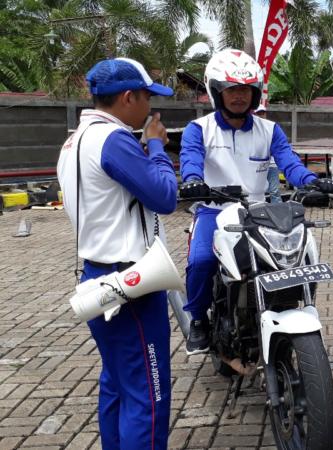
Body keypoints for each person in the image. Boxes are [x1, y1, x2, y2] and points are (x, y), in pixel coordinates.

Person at [179, 49, 333, 354]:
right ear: (217, 92)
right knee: (200, 261)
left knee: (299, 257)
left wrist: (312, 181)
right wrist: (192, 181)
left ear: (255, 93)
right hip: (215, 211)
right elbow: (190, 160)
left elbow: (290, 164)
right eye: (232, 89)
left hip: (260, 212)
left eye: (246, 90)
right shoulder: (198, 130)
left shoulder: (270, 129)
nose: (239, 96)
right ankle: (197, 319)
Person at [56, 57, 177, 449]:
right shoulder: (114, 139)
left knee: (117, 384)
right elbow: (164, 196)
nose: (151, 109)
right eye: (147, 98)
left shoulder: (75, 139)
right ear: (128, 97)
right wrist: (156, 145)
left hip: (98, 276)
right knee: (149, 394)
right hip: (132, 284)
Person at [254, 104, 282, 203]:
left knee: (274, 191)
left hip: (272, 165)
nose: (261, 115)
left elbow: (279, 148)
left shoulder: (272, 128)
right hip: (255, 166)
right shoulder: (249, 129)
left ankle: (278, 213)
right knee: (255, 192)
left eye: (262, 113)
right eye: (258, 113)